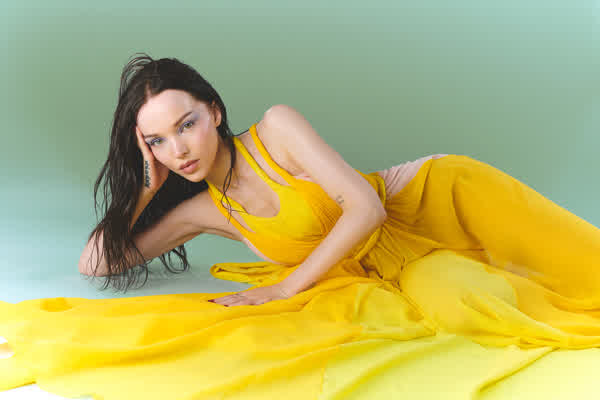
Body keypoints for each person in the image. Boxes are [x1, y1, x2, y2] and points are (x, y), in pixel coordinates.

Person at [2, 52, 600, 399]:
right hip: (401, 266)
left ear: (214, 111)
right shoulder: (204, 210)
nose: (178, 149)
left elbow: (366, 209)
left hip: (441, 198)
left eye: (186, 125)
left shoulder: (277, 129)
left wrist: (286, 288)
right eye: (156, 140)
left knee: (580, 265)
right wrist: (144, 186)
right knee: (478, 311)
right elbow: (96, 263)